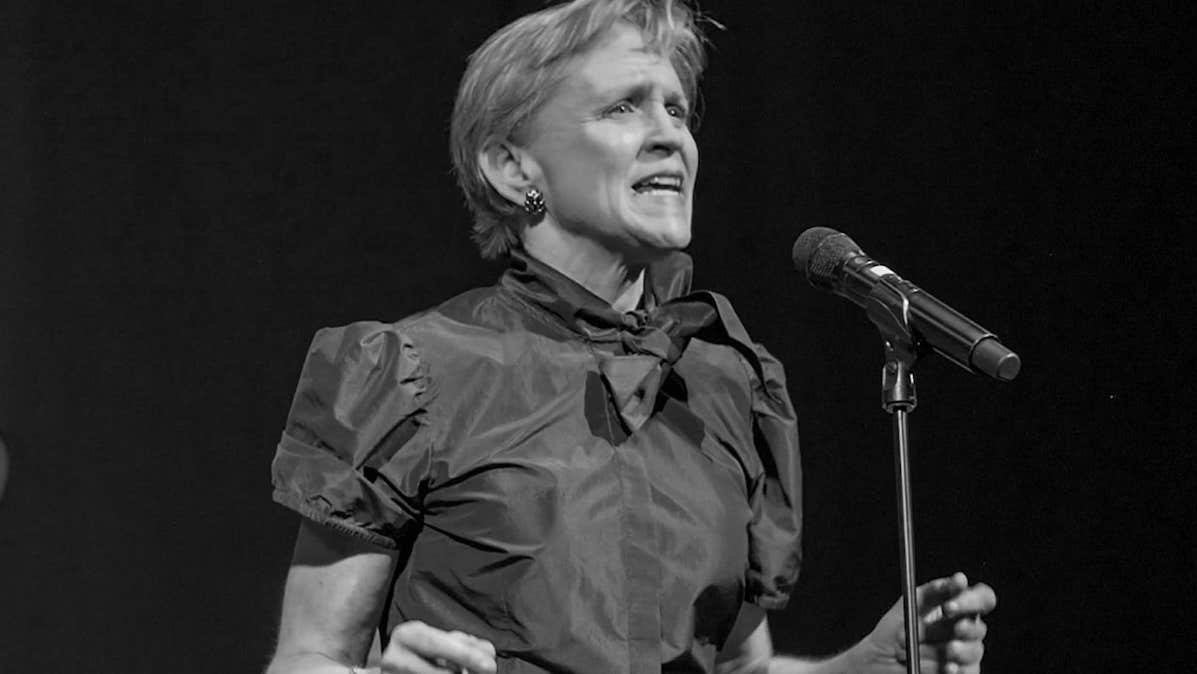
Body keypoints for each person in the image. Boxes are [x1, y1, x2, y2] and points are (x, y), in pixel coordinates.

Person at [265, 1, 996, 673]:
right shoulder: (410, 371)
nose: (668, 136)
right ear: (511, 165)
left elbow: (739, 667)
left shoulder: (726, 381)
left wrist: (867, 665)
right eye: (623, 107)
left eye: (677, 111)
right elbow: (307, 657)